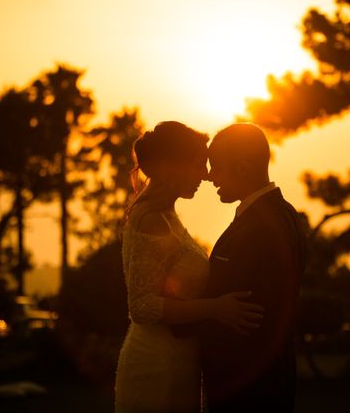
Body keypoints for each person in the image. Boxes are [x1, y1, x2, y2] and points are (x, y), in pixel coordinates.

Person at [114, 121, 264, 413]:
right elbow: (142, 306)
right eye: (198, 165)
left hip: (178, 360)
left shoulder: (167, 214)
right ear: (173, 166)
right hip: (157, 367)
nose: (206, 175)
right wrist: (215, 307)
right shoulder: (151, 220)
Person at [200, 122, 308, 413]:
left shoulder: (261, 227)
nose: (209, 176)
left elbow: (251, 314)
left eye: (216, 167)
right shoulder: (287, 215)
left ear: (243, 168)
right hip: (272, 381)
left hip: (247, 387)